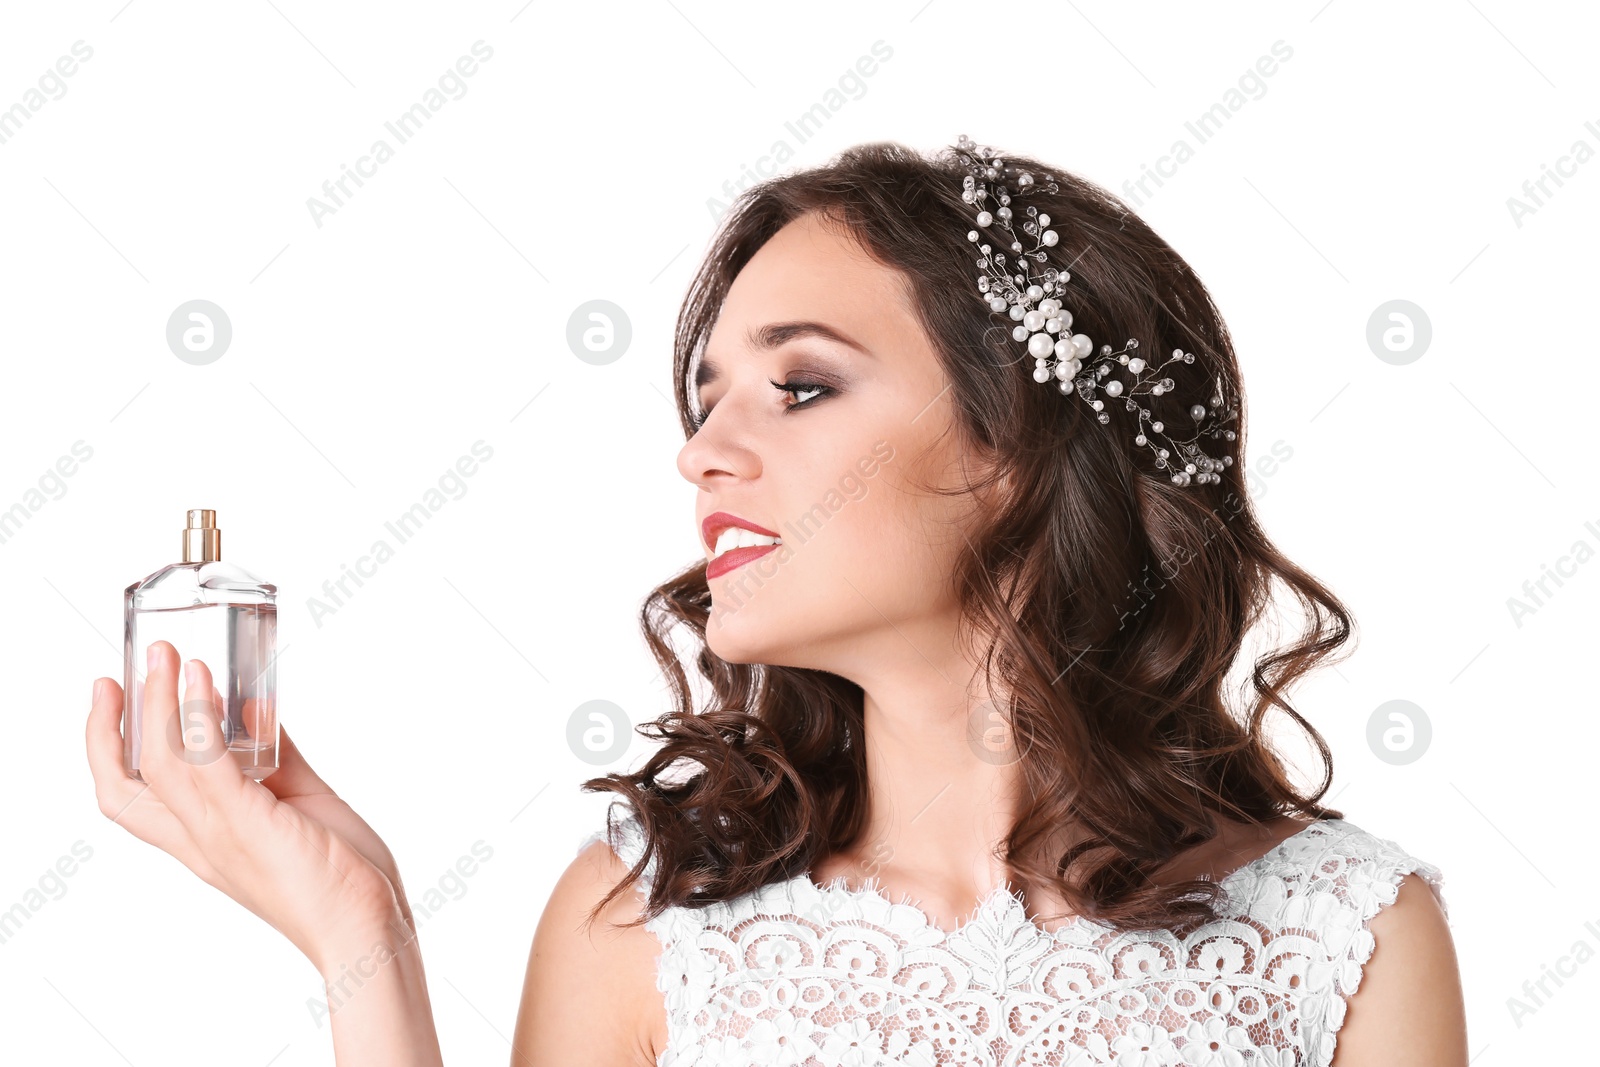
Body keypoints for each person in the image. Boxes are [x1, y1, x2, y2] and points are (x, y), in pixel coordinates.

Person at [85, 136, 1466, 1066]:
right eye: (704, 399)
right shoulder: (642, 924)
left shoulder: (1339, 929)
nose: (705, 453)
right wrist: (360, 938)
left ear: (1018, 445)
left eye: (799, 386)